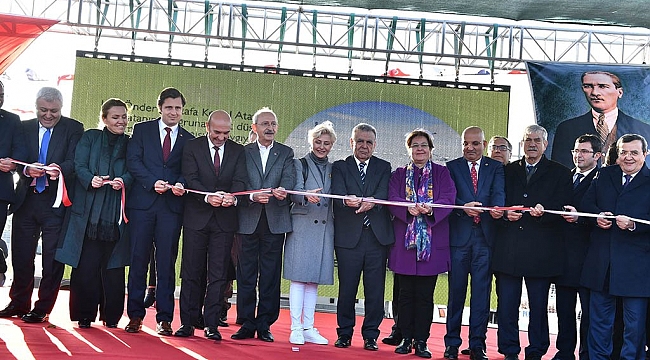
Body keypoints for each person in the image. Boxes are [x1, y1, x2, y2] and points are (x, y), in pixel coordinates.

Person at [0, 87, 84, 322]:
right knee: (21, 256)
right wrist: (26, 168)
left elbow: (75, 161)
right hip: (26, 200)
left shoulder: (73, 128)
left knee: (52, 260)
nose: (48, 115)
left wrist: (58, 169)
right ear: (36, 107)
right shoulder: (23, 126)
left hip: (56, 203)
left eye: (54, 111)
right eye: (43, 110)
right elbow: (15, 158)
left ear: (61, 108)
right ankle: (18, 302)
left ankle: (42, 308)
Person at [492, 124, 572, 360]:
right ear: (522, 143)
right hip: (509, 251)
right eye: (528, 140)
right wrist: (506, 214)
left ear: (545, 144)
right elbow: (497, 203)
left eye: (537, 140)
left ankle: (536, 350)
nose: (532, 144)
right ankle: (509, 350)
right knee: (507, 306)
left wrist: (545, 212)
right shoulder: (507, 171)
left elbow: (564, 209)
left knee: (538, 308)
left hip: (541, 254)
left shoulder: (561, 172)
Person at [55, 98, 132, 328]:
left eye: (124, 117)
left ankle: (111, 317)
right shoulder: (90, 137)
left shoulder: (130, 142)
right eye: (115, 117)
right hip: (88, 213)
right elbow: (79, 165)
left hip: (116, 215)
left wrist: (123, 180)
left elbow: (134, 169)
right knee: (85, 266)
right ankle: (84, 315)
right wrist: (91, 179)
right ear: (104, 118)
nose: (121, 121)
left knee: (114, 268)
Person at [125, 87, 194, 335]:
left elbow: (189, 169)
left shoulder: (189, 139)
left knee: (166, 264)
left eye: (178, 108)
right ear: (160, 108)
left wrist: (181, 183)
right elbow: (133, 161)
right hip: (143, 205)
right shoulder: (142, 130)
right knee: (138, 261)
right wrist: (152, 181)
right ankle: (135, 315)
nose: (173, 112)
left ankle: (165, 318)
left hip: (171, 209)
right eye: (169, 107)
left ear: (182, 110)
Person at [174, 110, 248, 340]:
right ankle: (187, 322)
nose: (221, 137)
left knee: (218, 275)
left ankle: (212, 324)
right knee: (191, 271)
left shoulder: (238, 150)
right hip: (197, 217)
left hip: (225, 220)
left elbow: (241, 180)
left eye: (226, 133)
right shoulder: (192, 147)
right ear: (207, 126)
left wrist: (232, 197)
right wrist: (207, 196)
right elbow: (191, 178)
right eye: (217, 132)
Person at [581, 134, 650, 360]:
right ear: (617, 154)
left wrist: (633, 226)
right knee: (599, 322)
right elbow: (587, 205)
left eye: (634, 153)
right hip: (603, 264)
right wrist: (597, 217)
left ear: (645, 155)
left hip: (636, 268)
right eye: (623, 152)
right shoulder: (603, 175)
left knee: (634, 326)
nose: (628, 157)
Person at [388, 129, 455, 358]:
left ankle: (422, 341)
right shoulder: (398, 174)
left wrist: (431, 208)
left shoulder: (442, 173)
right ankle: (405, 338)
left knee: (426, 297)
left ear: (430, 149)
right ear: (409, 149)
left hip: (431, 245)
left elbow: (448, 199)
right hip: (405, 246)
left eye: (424, 145)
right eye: (415, 145)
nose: (419, 149)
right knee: (405, 294)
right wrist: (407, 208)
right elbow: (392, 198)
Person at [231, 107, 295, 342]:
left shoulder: (286, 152)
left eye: (273, 124)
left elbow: (289, 180)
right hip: (248, 218)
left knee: (270, 275)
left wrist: (282, 191)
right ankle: (247, 322)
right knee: (246, 274)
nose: (270, 128)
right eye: (265, 123)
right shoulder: (242, 152)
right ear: (254, 127)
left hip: (275, 221)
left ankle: (265, 323)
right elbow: (238, 181)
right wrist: (251, 196)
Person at [444, 127, 505, 360]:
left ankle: (477, 345)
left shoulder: (496, 167)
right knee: (455, 293)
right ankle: (451, 344)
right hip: (459, 239)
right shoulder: (451, 167)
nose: (470, 148)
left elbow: (499, 194)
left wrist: (497, 209)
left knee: (481, 294)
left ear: (484, 143)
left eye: (475, 143)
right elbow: (449, 198)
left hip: (485, 239)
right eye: (466, 143)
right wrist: (463, 207)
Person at [331, 123, 393, 351]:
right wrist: (346, 199)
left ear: (374, 145)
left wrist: (372, 202)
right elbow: (337, 195)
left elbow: (384, 193)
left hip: (377, 239)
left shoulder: (384, 166)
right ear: (351, 143)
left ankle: (370, 336)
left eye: (368, 142)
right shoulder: (340, 166)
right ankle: (344, 333)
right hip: (349, 240)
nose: (364, 146)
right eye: (360, 141)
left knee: (375, 291)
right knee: (347, 289)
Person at [283, 121, 337, 346]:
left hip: (324, 228)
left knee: (313, 281)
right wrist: (304, 194)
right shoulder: (299, 163)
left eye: (326, 143)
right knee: (298, 279)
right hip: (303, 226)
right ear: (311, 141)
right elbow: (291, 192)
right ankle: (295, 327)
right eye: (318, 142)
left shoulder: (334, 168)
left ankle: (308, 327)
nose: (321, 147)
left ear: (332, 145)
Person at [552, 134, 602, 360]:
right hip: (562, 257)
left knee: (589, 312)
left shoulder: (602, 180)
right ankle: (564, 352)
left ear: (598, 155)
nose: (578, 155)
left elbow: (602, 216)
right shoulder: (565, 177)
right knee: (564, 309)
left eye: (583, 151)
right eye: (575, 150)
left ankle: (586, 354)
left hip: (589, 258)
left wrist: (579, 219)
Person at [551, 71, 650, 168]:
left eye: (602, 86)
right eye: (588, 86)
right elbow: (560, 170)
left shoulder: (645, 130)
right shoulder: (566, 128)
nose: (595, 92)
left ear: (619, 92)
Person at [0, 80, 26, 287]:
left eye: (2, 94)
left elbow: (20, 153)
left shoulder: (12, 120)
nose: (0, 98)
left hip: (1, 193)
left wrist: (13, 163)